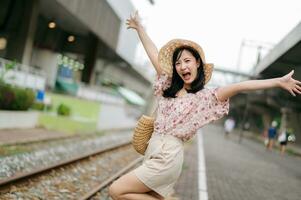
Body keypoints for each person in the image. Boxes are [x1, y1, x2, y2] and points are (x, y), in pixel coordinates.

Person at [108, 11, 301, 200]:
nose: (183, 66)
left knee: (117, 190)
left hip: (168, 157)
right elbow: (154, 54)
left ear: (197, 63)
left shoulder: (205, 98)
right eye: (178, 63)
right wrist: (140, 28)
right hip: (153, 151)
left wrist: (277, 81)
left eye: (187, 61)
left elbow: (241, 86)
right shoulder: (167, 85)